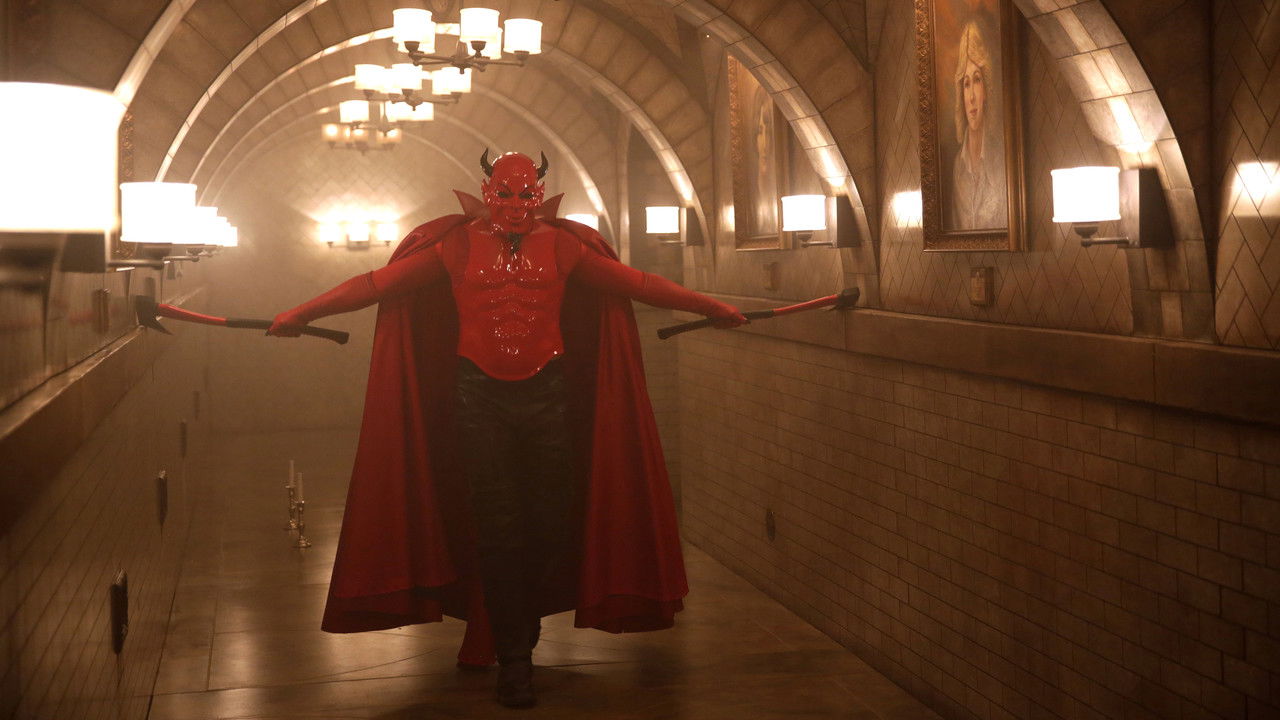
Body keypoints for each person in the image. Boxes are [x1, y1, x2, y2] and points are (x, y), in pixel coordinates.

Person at [268, 150, 746, 708]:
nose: (515, 205)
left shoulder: (564, 246)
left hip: (548, 394)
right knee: (498, 530)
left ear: (539, 195)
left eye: (525, 195)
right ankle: (515, 659)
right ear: (485, 190)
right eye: (505, 193)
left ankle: (518, 626)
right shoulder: (454, 246)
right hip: (478, 397)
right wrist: (303, 312)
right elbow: (376, 283)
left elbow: (637, 282)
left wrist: (708, 305)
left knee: (550, 525)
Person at [948, 22, 1007, 231]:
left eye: (977, 80)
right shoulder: (958, 166)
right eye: (966, 84)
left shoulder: (1001, 160)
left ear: (987, 90)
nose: (971, 96)